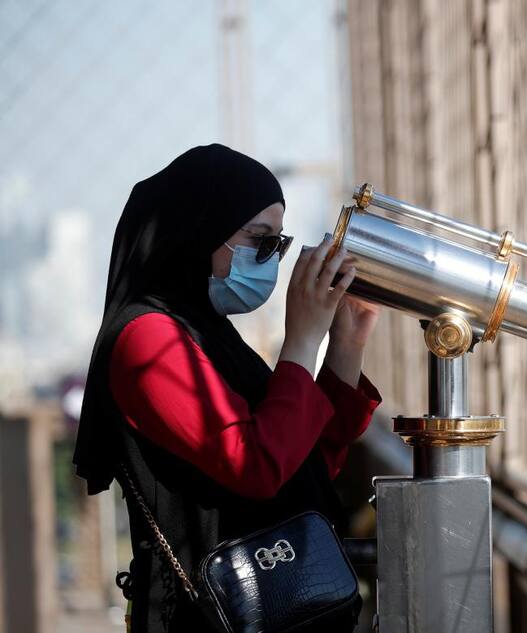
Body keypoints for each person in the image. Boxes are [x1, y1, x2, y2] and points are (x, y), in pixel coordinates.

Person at [73, 143, 382, 632]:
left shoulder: (209, 333)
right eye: (259, 239)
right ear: (197, 229)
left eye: (278, 245)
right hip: (204, 617)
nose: (270, 260)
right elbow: (255, 465)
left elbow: (304, 463)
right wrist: (301, 339)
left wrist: (346, 342)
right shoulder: (147, 339)